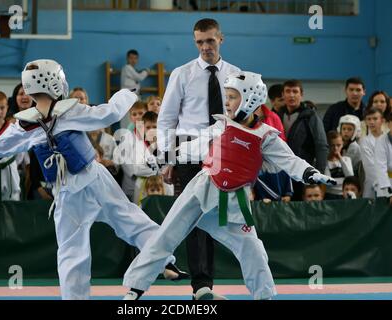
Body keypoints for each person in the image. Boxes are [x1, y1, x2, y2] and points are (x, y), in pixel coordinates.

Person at [122, 71, 336, 301]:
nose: (227, 101)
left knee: (252, 248)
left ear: (251, 99)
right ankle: (135, 288)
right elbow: (195, 146)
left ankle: (264, 296)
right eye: (227, 96)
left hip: (235, 202)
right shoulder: (221, 125)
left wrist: (310, 173)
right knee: (165, 235)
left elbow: (289, 160)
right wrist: (166, 157)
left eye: (233, 96)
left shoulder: (266, 136)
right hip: (200, 190)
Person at [0, 59, 187, 300]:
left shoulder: (24, 124)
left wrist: (22, 132)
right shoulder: (69, 111)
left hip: (64, 191)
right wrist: (126, 93)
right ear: (55, 82)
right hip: (93, 179)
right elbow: (109, 114)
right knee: (131, 220)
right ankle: (164, 260)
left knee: (72, 252)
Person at [156, 18, 241, 299]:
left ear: (221, 39)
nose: (205, 47)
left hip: (224, 151)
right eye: (200, 42)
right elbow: (167, 119)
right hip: (188, 151)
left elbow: (242, 119)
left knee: (219, 217)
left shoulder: (237, 75)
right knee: (193, 218)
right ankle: (201, 286)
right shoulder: (181, 74)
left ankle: (220, 281)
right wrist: (168, 158)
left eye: (210, 41)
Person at [277, 79, 328, 200]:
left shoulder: (310, 116)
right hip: (281, 174)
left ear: (301, 94)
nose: (291, 95)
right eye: (288, 91)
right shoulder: (277, 115)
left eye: (295, 91)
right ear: (283, 95)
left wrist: (319, 174)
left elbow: (321, 146)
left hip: (302, 172)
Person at [359, 107, 384, 198]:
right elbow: (370, 169)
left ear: (382, 120)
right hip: (373, 187)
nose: (371, 122)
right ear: (365, 122)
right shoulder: (364, 142)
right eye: (369, 119)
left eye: (375, 119)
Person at [324, 131, 354, 199]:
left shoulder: (346, 159)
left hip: (345, 194)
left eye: (338, 145)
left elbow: (350, 178)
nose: (335, 148)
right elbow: (328, 183)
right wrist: (327, 159)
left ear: (342, 144)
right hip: (330, 195)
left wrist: (340, 159)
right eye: (332, 145)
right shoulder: (325, 162)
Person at [373, 112, 392, 205]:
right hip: (386, 187)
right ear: (388, 124)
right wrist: (390, 194)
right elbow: (380, 168)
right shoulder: (381, 141)